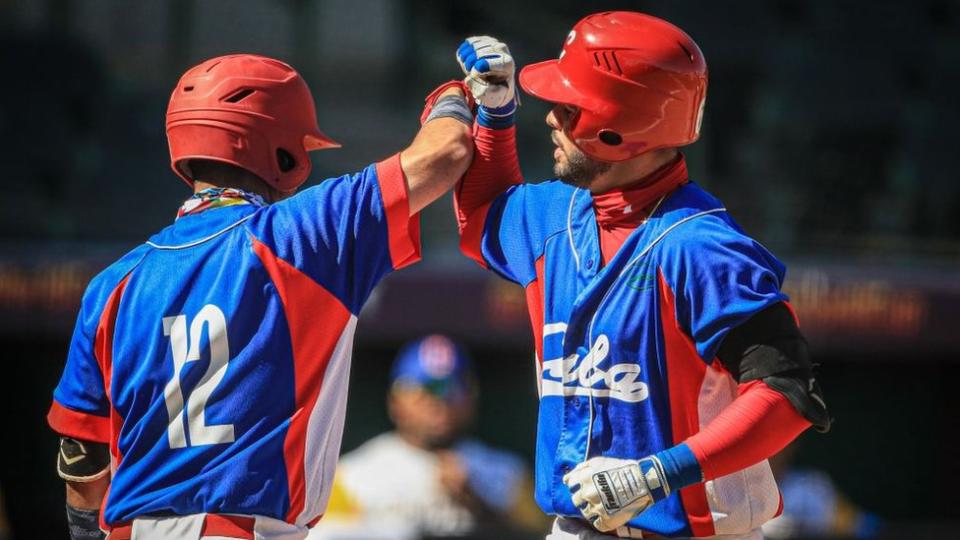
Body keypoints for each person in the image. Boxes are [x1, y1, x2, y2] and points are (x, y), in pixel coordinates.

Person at [46, 54, 476, 540]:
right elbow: (446, 152)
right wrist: (456, 96)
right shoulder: (302, 233)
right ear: (282, 151)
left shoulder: (112, 284)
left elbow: (82, 457)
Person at [451, 12, 831, 539]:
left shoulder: (702, 247)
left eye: (568, 107)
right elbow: (483, 217)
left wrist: (657, 476)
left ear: (618, 125)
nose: (550, 119)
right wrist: (494, 114)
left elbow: (785, 396)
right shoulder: (555, 216)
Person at [312, 335, 546, 540]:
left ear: (471, 400)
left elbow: (542, 533)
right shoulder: (351, 476)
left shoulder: (508, 474)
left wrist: (479, 504)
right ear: (396, 401)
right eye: (425, 390)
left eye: (454, 388)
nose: (440, 402)